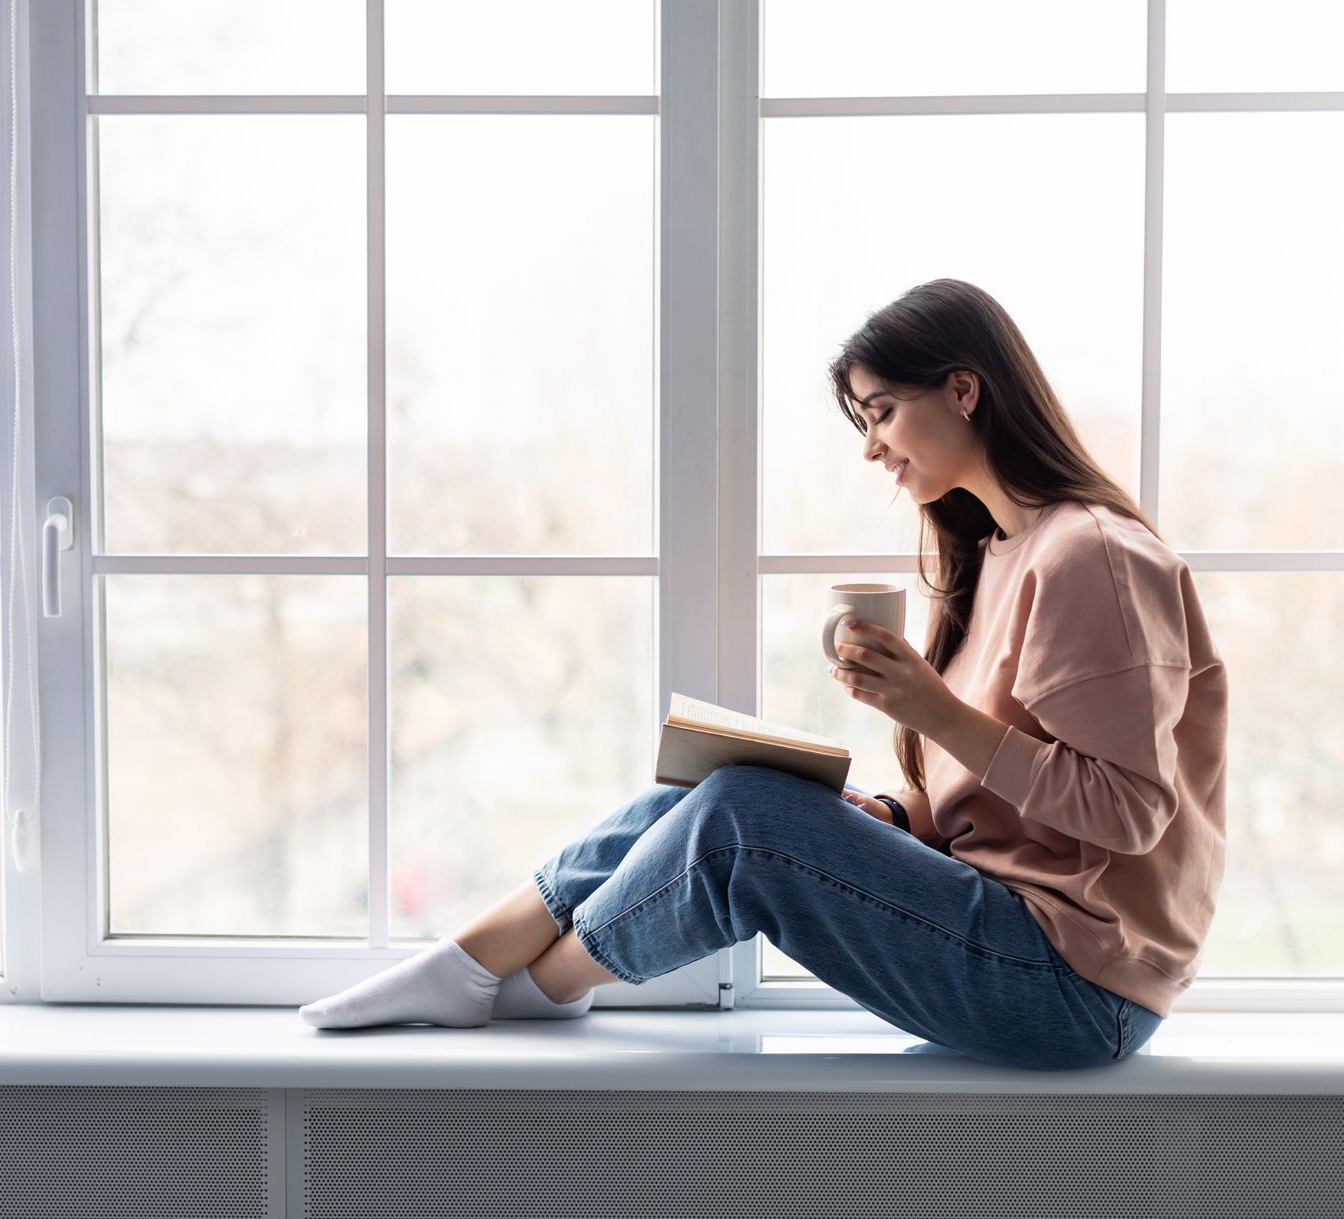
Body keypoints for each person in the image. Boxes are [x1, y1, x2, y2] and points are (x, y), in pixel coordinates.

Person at [299, 278, 1228, 1071]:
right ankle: (472, 957)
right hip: (1019, 939)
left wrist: (933, 710)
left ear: (963, 389)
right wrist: (901, 815)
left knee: (748, 819)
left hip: (1076, 987)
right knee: (731, 779)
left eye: (881, 413)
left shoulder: (1092, 557)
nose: (870, 446)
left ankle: (541, 989)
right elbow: (1011, 807)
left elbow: (1129, 812)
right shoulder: (999, 555)